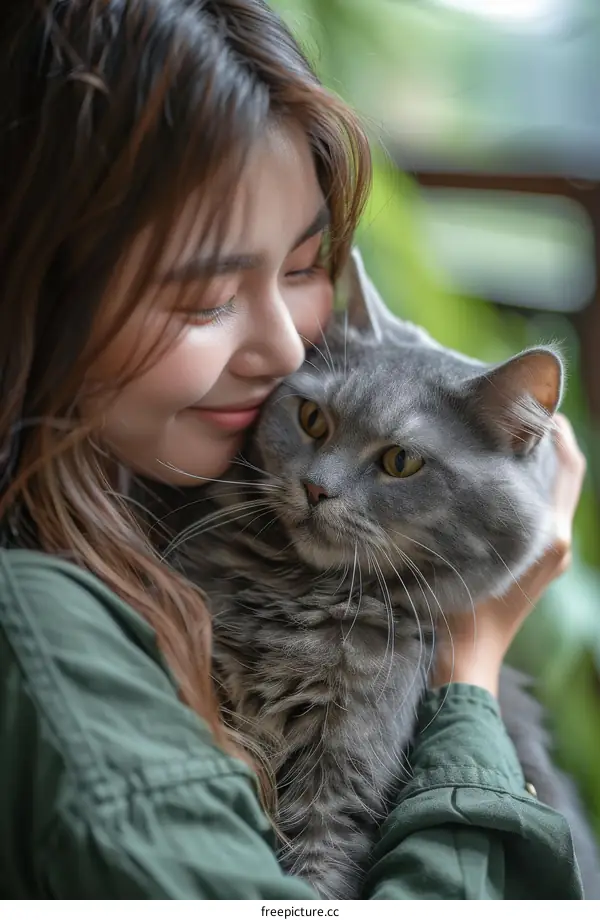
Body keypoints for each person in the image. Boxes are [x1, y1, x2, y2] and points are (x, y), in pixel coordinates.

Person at [0, 0, 587, 900]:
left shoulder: (165, 475)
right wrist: (469, 676)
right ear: (39, 281)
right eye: (204, 298)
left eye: (303, 267)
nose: (283, 353)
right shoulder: (44, 621)